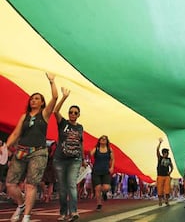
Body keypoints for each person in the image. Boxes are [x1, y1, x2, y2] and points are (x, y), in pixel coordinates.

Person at [5, 72, 58, 222]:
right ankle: (21, 204)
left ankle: (26, 216)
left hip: (38, 152)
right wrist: (6, 146)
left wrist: (52, 81)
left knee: (31, 184)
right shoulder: (24, 116)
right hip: (21, 151)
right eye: (32, 99)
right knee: (10, 184)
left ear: (42, 102)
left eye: (37, 99)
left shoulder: (45, 114)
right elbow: (16, 133)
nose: (33, 101)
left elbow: (54, 98)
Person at [53, 87, 85, 221]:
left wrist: (82, 159)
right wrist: (64, 97)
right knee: (62, 188)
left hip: (75, 160)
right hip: (60, 159)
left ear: (78, 115)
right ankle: (63, 212)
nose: (72, 114)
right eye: (71, 112)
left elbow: (81, 143)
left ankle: (74, 212)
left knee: (71, 185)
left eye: (75, 112)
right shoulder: (63, 123)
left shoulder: (80, 127)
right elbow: (55, 111)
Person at [90, 135, 115, 211]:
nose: (103, 140)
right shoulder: (96, 149)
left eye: (105, 139)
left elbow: (113, 159)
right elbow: (91, 154)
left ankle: (104, 193)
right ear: (99, 140)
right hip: (96, 171)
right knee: (97, 188)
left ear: (107, 141)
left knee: (106, 187)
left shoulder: (109, 149)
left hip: (106, 171)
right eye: (102, 139)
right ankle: (99, 204)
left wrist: (112, 167)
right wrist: (94, 149)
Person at [156, 138, 174, 206]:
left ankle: (167, 200)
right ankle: (160, 201)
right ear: (164, 153)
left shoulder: (169, 159)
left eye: (168, 153)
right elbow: (157, 150)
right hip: (160, 175)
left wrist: (170, 172)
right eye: (167, 153)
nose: (168, 154)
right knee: (160, 189)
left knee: (167, 189)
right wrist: (160, 143)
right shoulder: (160, 158)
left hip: (167, 176)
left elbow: (172, 166)